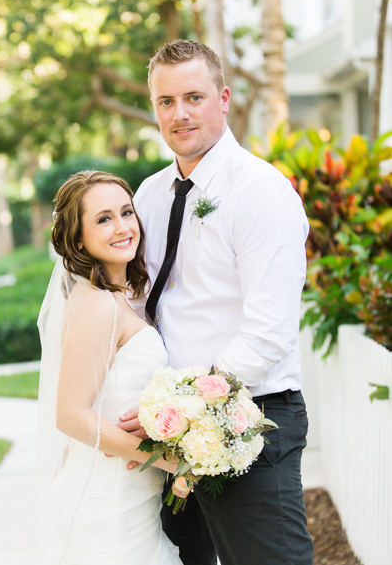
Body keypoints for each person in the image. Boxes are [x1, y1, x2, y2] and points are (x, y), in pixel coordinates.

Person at [123, 39, 313, 565]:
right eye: (165, 101)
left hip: (249, 420)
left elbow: (267, 333)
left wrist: (188, 409)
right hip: (166, 433)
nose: (179, 114)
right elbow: (137, 301)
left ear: (223, 98)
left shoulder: (261, 192)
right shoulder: (147, 196)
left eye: (194, 97)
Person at [37, 170, 185, 564]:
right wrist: (169, 459)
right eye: (103, 219)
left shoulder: (117, 299)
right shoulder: (98, 306)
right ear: (78, 237)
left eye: (126, 213)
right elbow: (70, 416)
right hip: (106, 507)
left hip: (131, 501)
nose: (122, 227)